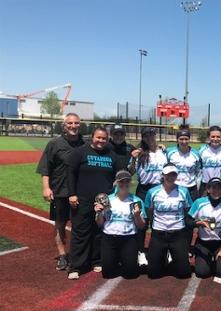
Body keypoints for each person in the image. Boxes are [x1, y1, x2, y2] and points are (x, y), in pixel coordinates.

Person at [67, 126, 121, 280]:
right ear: (92, 137)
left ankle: (96, 260)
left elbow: (119, 174)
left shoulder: (111, 155)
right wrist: (72, 194)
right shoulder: (80, 152)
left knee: (99, 232)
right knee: (80, 232)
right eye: (98, 138)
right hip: (82, 200)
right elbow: (70, 173)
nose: (101, 141)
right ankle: (76, 266)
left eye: (104, 138)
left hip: (104, 201)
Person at [36, 112, 84, 271]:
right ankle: (63, 255)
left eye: (76, 123)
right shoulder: (54, 143)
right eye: (70, 123)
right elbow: (45, 168)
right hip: (60, 192)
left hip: (79, 192)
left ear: (80, 124)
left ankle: (79, 255)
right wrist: (46, 187)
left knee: (80, 226)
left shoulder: (85, 143)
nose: (73, 126)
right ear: (64, 125)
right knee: (60, 224)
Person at [144, 163, 193, 279]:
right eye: (167, 175)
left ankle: (174, 256)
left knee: (184, 274)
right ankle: (163, 257)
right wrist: (156, 224)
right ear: (162, 175)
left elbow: (187, 210)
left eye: (173, 175)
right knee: (153, 274)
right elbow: (149, 211)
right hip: (159, 234)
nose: (170, 177)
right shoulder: (152, 192)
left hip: (177, 234)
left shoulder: (183, 191)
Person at [94, 170, 146, 278]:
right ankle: (116, 258)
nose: (124, 184)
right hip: (109, 239)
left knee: (130, 274)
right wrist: (99, 213)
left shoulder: (136, 201)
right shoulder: (107, 200)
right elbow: (100, 224)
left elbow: (142, 226)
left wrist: (137, 215)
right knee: (107, 274)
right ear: (116, 183)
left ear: (131, 183)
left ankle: (125, 258)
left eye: (127, 181)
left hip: (129, 239)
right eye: (121, 182)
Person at [128, 126, 168, 265]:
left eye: (152, 134)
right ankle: (140, 252)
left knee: (160, 221)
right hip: (143, 190)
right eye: (146, 135)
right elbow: (130, 172)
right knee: (142, 223)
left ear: (155, 135)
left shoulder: (163, 151)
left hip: (159, 190)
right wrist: (133, 159)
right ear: (143, 137)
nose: (149, 137)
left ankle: (162, 250)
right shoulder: (139, 153)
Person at [188, 177, 221, 278]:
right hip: (203, 243)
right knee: (202, 273)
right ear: (208, 189)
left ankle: (216, 259)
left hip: (219, 243)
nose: (216, 191)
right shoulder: (199, 202)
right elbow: (188, 222)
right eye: (213, 188)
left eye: (219, 188)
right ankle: (205, 260)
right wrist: (198, 223)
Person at [166, 127, 201, 200]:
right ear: (177, 140)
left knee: (190, 210)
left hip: (191, 188)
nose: (184, 141)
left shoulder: (196, 154)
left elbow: (198, 172)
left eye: (186, 139)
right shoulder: (169, 152)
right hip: (175, 186)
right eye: (181, 139)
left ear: (189, 139)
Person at [198, 126, 221, 196]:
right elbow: (198, 166)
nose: (215, 139)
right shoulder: (202, 150)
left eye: (218, 137)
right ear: (209, 137)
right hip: (206, 185)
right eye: (213, 136)